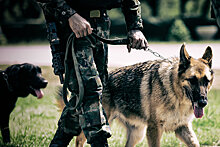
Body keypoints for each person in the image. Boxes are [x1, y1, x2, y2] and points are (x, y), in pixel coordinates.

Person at [36, 0, 148, 146]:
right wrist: (70, 15)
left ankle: (58, 143)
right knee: (90, 90)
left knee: (84, 95)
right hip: (71, 27)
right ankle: (100, 143)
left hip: (100, 24)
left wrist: (135, 27)